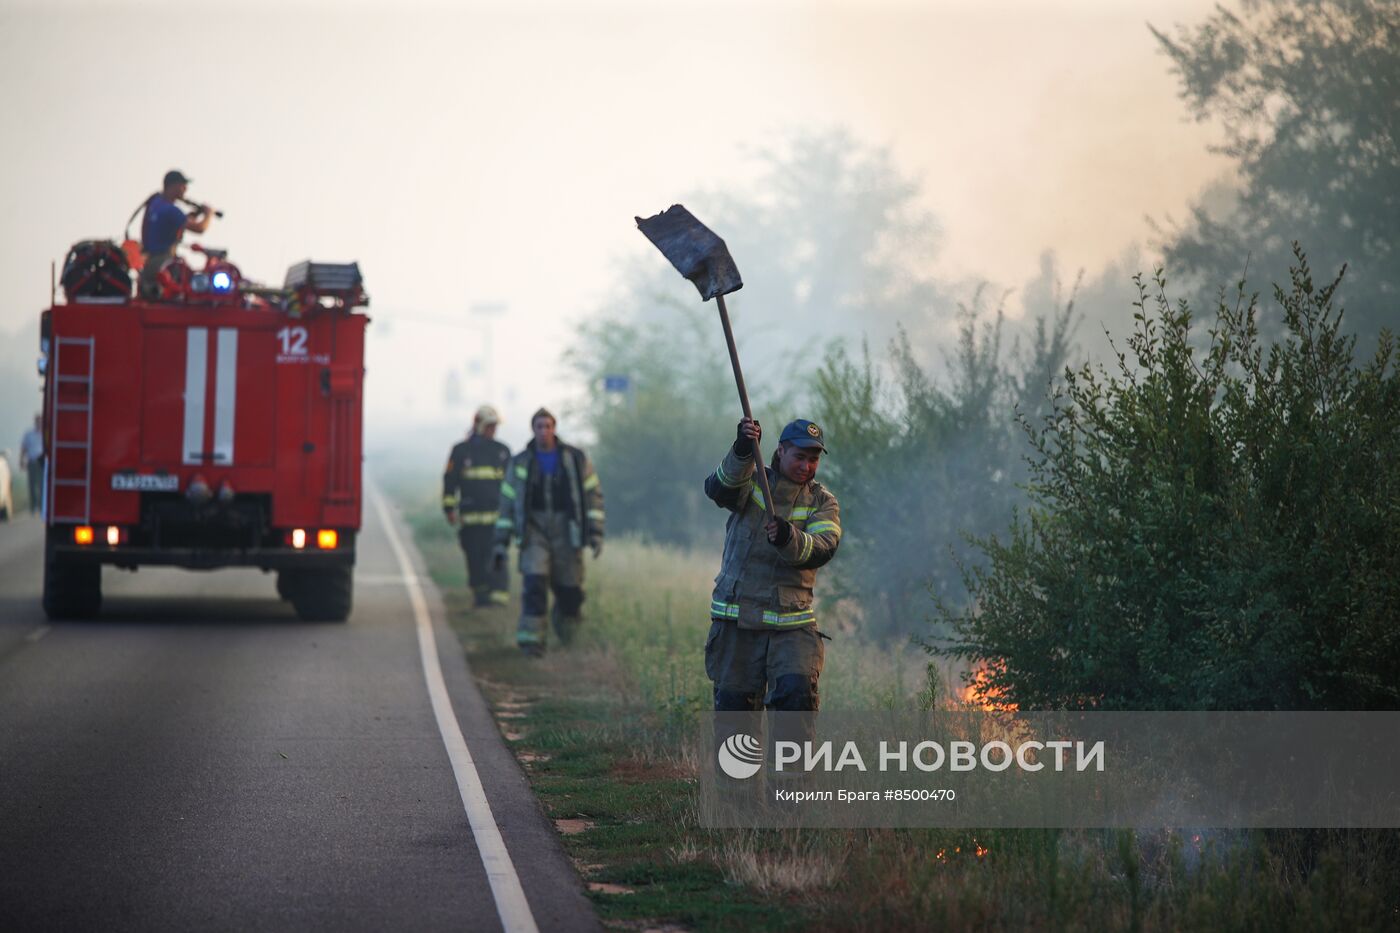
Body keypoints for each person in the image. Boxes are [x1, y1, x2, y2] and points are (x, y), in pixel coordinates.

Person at [703, 417, 842, 712]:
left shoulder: (823, 502)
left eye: (813, 459)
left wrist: (788, 537)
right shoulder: (752, 481)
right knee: (734, 715)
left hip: (793, 626)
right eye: (800, 457)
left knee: (797, 699)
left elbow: (824, 547)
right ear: (780, 451)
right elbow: (719, 490)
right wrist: (742, 449)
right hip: (736, 622)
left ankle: (788, 762)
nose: (806, 466)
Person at [493, 408, 604, 657]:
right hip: (534, 529)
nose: (544, 431)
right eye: (539, 426)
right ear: (533, 429)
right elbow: (508, 501)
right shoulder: (520, 461)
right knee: (534, 584)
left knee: (570, 591)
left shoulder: (576, 458)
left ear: (555, 428)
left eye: (548, 426)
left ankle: (569, 638)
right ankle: (532, 643)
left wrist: (595, 533)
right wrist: (501, 541)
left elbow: (593, 496)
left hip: (567, 530)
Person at [442, 405, 512, 607]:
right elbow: (450, 481)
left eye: (495, 426)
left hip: (497, 520)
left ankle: (498, 600)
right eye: (490, 426)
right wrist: (449, 509)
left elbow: (511, 486)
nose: (493, 430)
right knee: (475, 559)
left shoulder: (502, 451)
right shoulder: (461, 451)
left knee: (498, 557)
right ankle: (481, 599)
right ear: (479, 425)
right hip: (470, 520)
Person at [138, 169, 214, 299]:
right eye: (183, 185)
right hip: (164, 264)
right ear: (173, 186)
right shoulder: (170, 209)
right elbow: (200, 229)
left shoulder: (156, 204)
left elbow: (173, 225)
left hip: (150, 264)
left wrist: (193, 216)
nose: (185, 189)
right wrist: (209, 214)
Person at [19, 414, 44, 514]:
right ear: (35, 422)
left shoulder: (46, 433)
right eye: (37, 421)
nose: (39, 423)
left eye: (40, 421)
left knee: (43, 485)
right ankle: (33, 507)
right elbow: (24, 448)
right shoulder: (29, 434)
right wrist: (21, 460)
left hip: (42, 462)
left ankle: (41, 506)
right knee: (32, 485)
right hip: (32, 461)